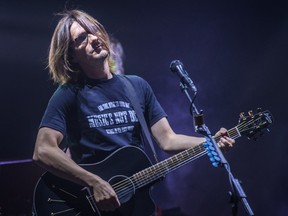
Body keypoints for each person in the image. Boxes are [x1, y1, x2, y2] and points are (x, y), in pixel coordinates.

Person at [32, 9, 235, 215]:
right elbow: (42, 151)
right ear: (71, 56)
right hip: (88, 204)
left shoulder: (136, 86)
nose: (93, 39)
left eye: (94, 31)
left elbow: (168, 140)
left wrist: (210, 142)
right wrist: (94, 182)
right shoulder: (69, 93)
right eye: (82, 38)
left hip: (131, 204)